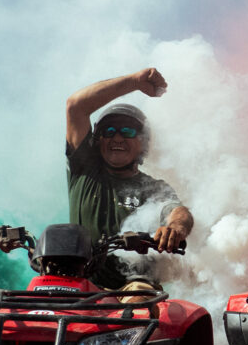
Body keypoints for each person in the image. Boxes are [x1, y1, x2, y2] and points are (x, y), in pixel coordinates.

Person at [65, 68, 193, 289]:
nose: (117, 137)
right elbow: (76, 106)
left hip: (132, 287)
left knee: (139, 296)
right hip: (79, 285)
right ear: (98, 140)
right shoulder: (84, 170)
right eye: (109, 130)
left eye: (128, 131)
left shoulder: (153, 188)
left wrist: (175, 229)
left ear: (143, 142)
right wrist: (134, 82)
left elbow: (177, 212)